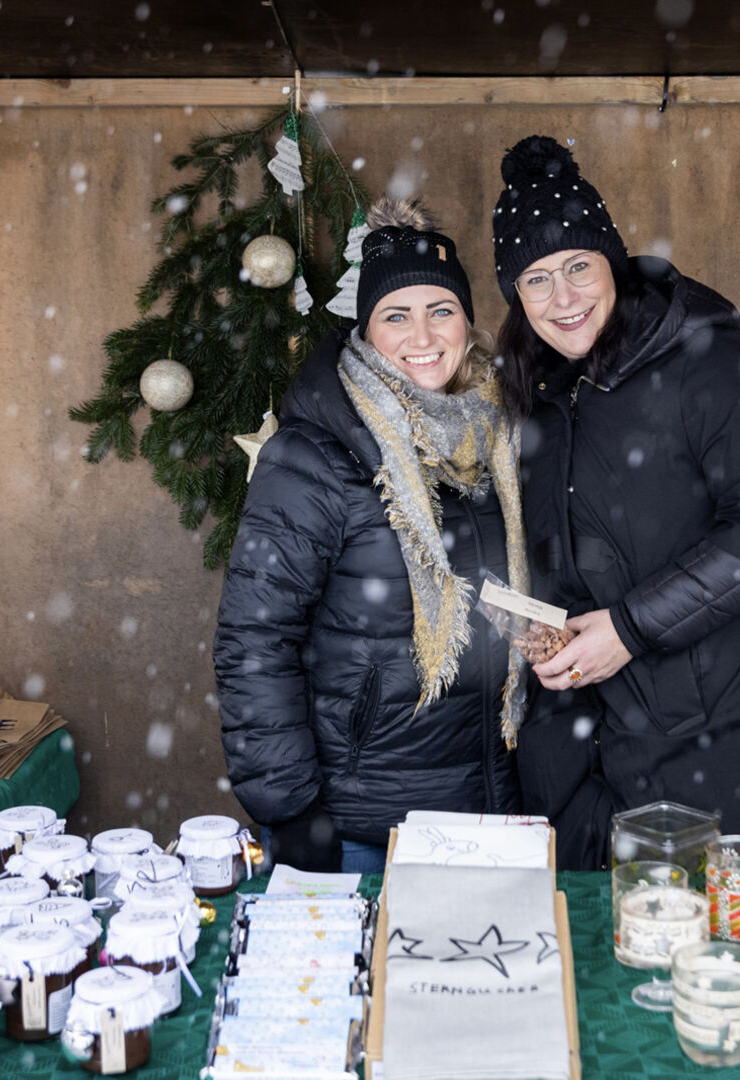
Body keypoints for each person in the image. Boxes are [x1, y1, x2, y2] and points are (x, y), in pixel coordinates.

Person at [489, 135, 740, 870]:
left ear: (611, 264)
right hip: (595, 751)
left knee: (731, 926)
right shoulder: (537, 395)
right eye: (536, 279)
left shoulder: (709, 364)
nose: (563, 298)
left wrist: (630, 627)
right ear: (516, 298)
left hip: (728, 735)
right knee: (607, 932)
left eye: (578, 267)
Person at [213, 198, 527, 873]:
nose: (423, 334)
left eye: (441, 310)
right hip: (365, 822)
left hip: (490, 809)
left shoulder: (495, 438)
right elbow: (255, 641)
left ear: (467, 323)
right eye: (396, 315)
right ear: (364, 332)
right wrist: (289, 808)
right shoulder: (314, 457)